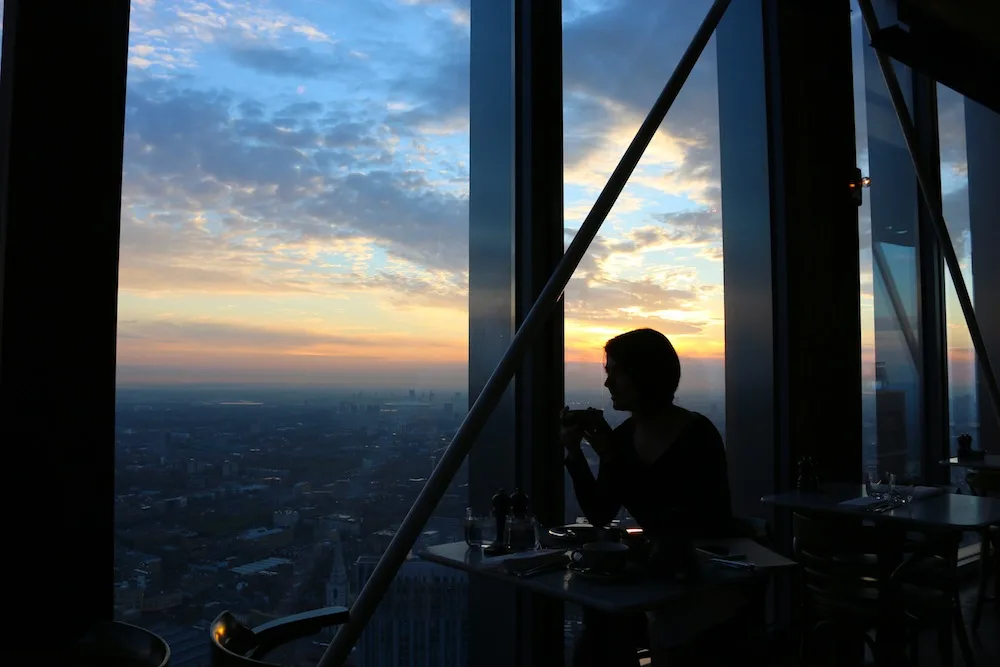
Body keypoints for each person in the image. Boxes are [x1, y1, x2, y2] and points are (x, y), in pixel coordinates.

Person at [561, 328, 746, 667]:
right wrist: (574, 454)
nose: (608, 384)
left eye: (617, 372)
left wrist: (613, 458)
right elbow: (601, 512)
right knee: (598, 638)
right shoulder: (624, 438)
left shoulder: (696, 436)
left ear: (645, 376)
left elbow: (690, 519)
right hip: (666, 578)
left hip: (703, 583)